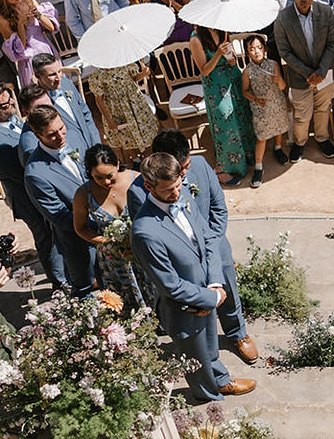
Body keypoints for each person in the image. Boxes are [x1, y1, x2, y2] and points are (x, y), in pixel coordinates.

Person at [131, 152, 255, 402]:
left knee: (209, 347)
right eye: (167, 191)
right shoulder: (145, 231)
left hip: (209, 290)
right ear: (148, 186)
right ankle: (207, 397)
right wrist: (209, 297)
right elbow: (170, 285)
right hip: (185, 306)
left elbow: (207, 238)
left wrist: (215, 283)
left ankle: (220, 381)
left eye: (177, 186)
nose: (175, 194)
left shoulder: (184, 195)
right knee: (196, 358)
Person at [23, 105, 96, 295]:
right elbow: (59, 217)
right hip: (79, 244)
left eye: (61, 128)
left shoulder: (74, 137)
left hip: (109, 231)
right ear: (38, 136)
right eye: (52, 134)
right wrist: (99, 223)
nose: (61, 136)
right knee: (88, 295)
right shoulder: (35, 174)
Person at [0, 82, 62, 287]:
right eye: (3, 106)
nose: (9, 106)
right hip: (26, 194)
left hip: (37, 187)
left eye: (10, 101)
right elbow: (19, 170)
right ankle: (59, 282)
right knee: (46, 237)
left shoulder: (14, 120)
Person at [72, 144, 147, 311]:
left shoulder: (138, 179)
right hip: (114, 259)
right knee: (124, 303)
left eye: (110, 175)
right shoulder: (83, 194)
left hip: (143, 251)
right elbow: (81, 228)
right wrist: (108, 241)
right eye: (98, 177)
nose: (105, 182)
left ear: (118, 164)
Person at [274, 0, 334, 162]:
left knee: (323, 108)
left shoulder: (325, 12)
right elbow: (284, 52)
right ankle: (300, 143)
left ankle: (322, 138)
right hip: (300, 76)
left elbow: (332, 43)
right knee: (302, 114)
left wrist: (320, 72)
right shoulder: (282, 20)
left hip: (325, 72)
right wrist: (309, 73)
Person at [189, 25, 255, 186]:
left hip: (233, 78)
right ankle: (224, 168)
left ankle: (246, 156)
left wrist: (231, 58)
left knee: (242, 116)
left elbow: (232, 61)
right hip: (215, 85)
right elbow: (204, 71)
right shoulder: (195, 39)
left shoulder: (223, 31)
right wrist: (218, 53)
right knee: (226, 123)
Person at [241, 34, 290, 187]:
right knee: (261, 137)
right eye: (252, 49)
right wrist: (255, 99)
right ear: (247, 53)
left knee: (279, 127)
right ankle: (258, 166)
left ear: (265, 49)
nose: (256, 51)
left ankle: (278, 148)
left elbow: (282, 87)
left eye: (259, 48)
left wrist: (279, 80)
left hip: (277, 104)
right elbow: (244, 91)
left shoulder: (274, 65)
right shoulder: (247, 71)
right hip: (260, 107)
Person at [0, 0, 59, 88]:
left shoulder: (29, 0)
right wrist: (20, 25)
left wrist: (38, 15)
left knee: (57, 82)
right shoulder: (2, 19)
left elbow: (51, 28)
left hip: (46, 49)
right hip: (29, 58)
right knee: (38, 89)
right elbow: (20, 48)